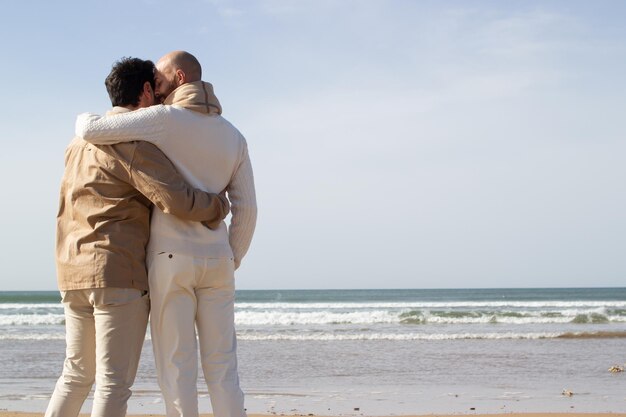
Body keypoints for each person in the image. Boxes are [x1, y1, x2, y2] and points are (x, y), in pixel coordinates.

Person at [75, 51, 257, 417]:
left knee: (177, 368)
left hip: (170, 257)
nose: (154, 91)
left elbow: (91, 131)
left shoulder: (161, 119)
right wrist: (230, 257)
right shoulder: (234, 136)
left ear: (177, 78)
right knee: (224, 368)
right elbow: (247, 209)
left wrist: (82, 116)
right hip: (218, 259)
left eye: (156, 81)